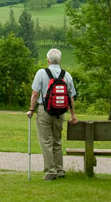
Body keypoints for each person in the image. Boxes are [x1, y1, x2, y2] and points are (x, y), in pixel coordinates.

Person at [26, 48, 78, 180]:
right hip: (60, 113)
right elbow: (71, 97)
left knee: (46, 142)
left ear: (48, 60)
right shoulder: (66, 75)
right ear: (59, 60)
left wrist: (32, 109)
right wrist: (73, 115)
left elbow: (35, 93)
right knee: (57, 141)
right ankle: (60, 170)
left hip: (45, 111)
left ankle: (51, 171)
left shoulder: (41, 73)